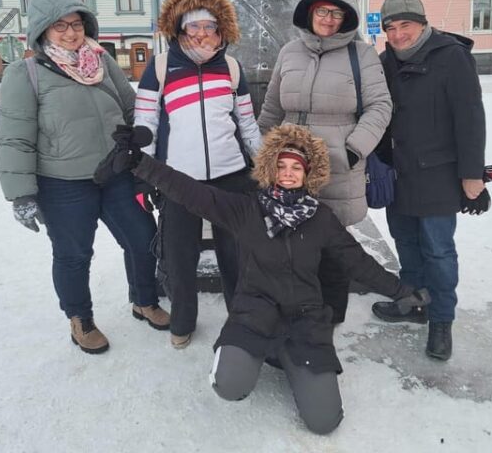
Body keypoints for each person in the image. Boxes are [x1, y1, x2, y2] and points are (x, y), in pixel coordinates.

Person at [96, 123, 427, 434]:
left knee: (324, 421)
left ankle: (286, 357)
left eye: (296, 167)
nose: (287, 173)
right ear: (271, 170)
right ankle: (251, 356)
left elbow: (358, 263)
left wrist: (400, 291)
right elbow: (191, 192)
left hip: (305, 320)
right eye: (282, 166)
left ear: (308, 173)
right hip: (255, 313)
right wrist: (140, 163)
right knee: (229, 387)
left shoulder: (322, 219)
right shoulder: (247, 210)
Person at [0, 0, 168, 355]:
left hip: (116, 173)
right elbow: (15, 138)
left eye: (76, 24)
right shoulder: (25, 74)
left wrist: (140, 137)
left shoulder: (102, 61)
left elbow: (129, 107)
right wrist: (21, 194)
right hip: (63, 183)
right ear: (43, 31)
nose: (71, 33)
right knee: (74, 253)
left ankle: (144, 300)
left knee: (143, 238)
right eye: (60, 26)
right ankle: (80, 319)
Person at [133, 0, 262, 349]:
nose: (203, 34)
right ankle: (183, 320)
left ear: (221, 30)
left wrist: (265, 165)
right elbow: (146, 126)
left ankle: (241, 319)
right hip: (178, 179)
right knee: (179, 255)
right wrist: (144, 177)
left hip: (232, 177)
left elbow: (248, 125)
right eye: (194, 26)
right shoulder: (159, 68)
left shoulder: (232, 68)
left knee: (236, 254)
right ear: (180, 28)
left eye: (210, 27)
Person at [258, 0, 392, 322]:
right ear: (310, 11)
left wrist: (353, 149)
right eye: (323, 10)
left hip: (338, 165)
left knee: (332, 247)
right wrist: (261, 153)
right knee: (290, 245)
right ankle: (295, 311)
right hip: (289, 166)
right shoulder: (289, 51)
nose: (329, 18)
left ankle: (330, 317)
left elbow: (380, 106)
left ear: (347, 18)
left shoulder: (361, 54)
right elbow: (272, 107)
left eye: (337, 12)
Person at [371, 0, 487, 362]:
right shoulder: (384, 62)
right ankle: (414, 300)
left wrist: (473, 174)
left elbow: (470, 118)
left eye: (406, 25)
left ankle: (441, 320)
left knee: (438, 250)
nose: (398, 34)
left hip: (437, 174)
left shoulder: (451, 57)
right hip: (398, 174)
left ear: (422, 24)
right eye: (391, 27)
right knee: (404, 241)